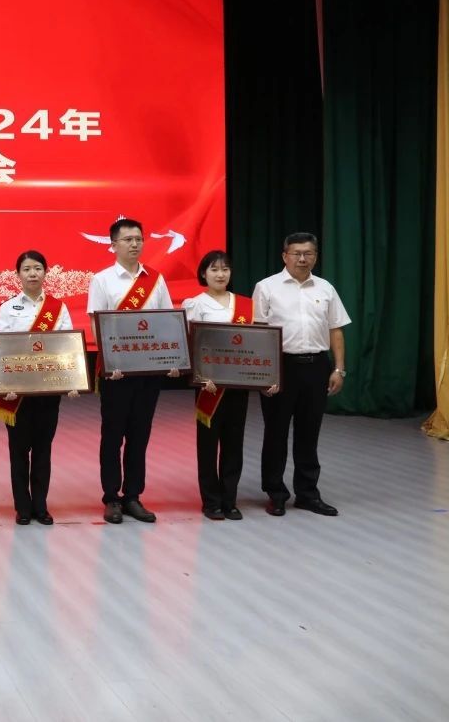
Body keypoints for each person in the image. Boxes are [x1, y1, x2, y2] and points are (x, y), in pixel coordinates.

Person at [86, 217, 178, 524]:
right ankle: (111, 497)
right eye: (128, 239)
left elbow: (167, 322)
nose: (135, 244)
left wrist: (171, 358)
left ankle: (133, 495)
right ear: (113, 245)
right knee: (113, 435)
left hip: (148, 371)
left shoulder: (156, 280)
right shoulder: (102, 280)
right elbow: (96, 325)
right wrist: (110, 361)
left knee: (140, 435)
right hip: (117, 373)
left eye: (139, 239)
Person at [253, 232, 350, 517]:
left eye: (308, 253)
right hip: (280, 367)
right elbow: (258, 333)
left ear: (316, 257)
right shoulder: (267, 287)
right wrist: (264, 373)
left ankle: (307, 493)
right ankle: (275, 493)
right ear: (285, 256)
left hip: (317, 366)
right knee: (276, 433)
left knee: (309, 432)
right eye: (296, 253)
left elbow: (336, 330)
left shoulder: (325, 288)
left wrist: (338, 368)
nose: (302, 259)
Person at [0, 250, 79, 526]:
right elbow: (0, 350)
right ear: (18, 274)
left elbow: (67, 347)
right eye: (27, 269)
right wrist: (3, 385)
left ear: (45, 272)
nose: (32, 273)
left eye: (38, 268)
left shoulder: (58, 308)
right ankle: (22, 507)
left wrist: (72, 380)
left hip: (48, 390)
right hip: (17, 393)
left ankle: (41, 506)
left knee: (43, 450)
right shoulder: (7, 308)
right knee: (18, 452)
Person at [182, 250, 254, 521]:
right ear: (204, 274)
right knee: (208, 445)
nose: (220, 274)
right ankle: (211, 501)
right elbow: (191, 345)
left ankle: (230, 499)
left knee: (234, 444)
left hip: (238, 384)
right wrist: (202, 375)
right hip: (209, 387)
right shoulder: (195, 304)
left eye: (225, 269)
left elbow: (256, 345)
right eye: (214, 269)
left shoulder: (246, 305)